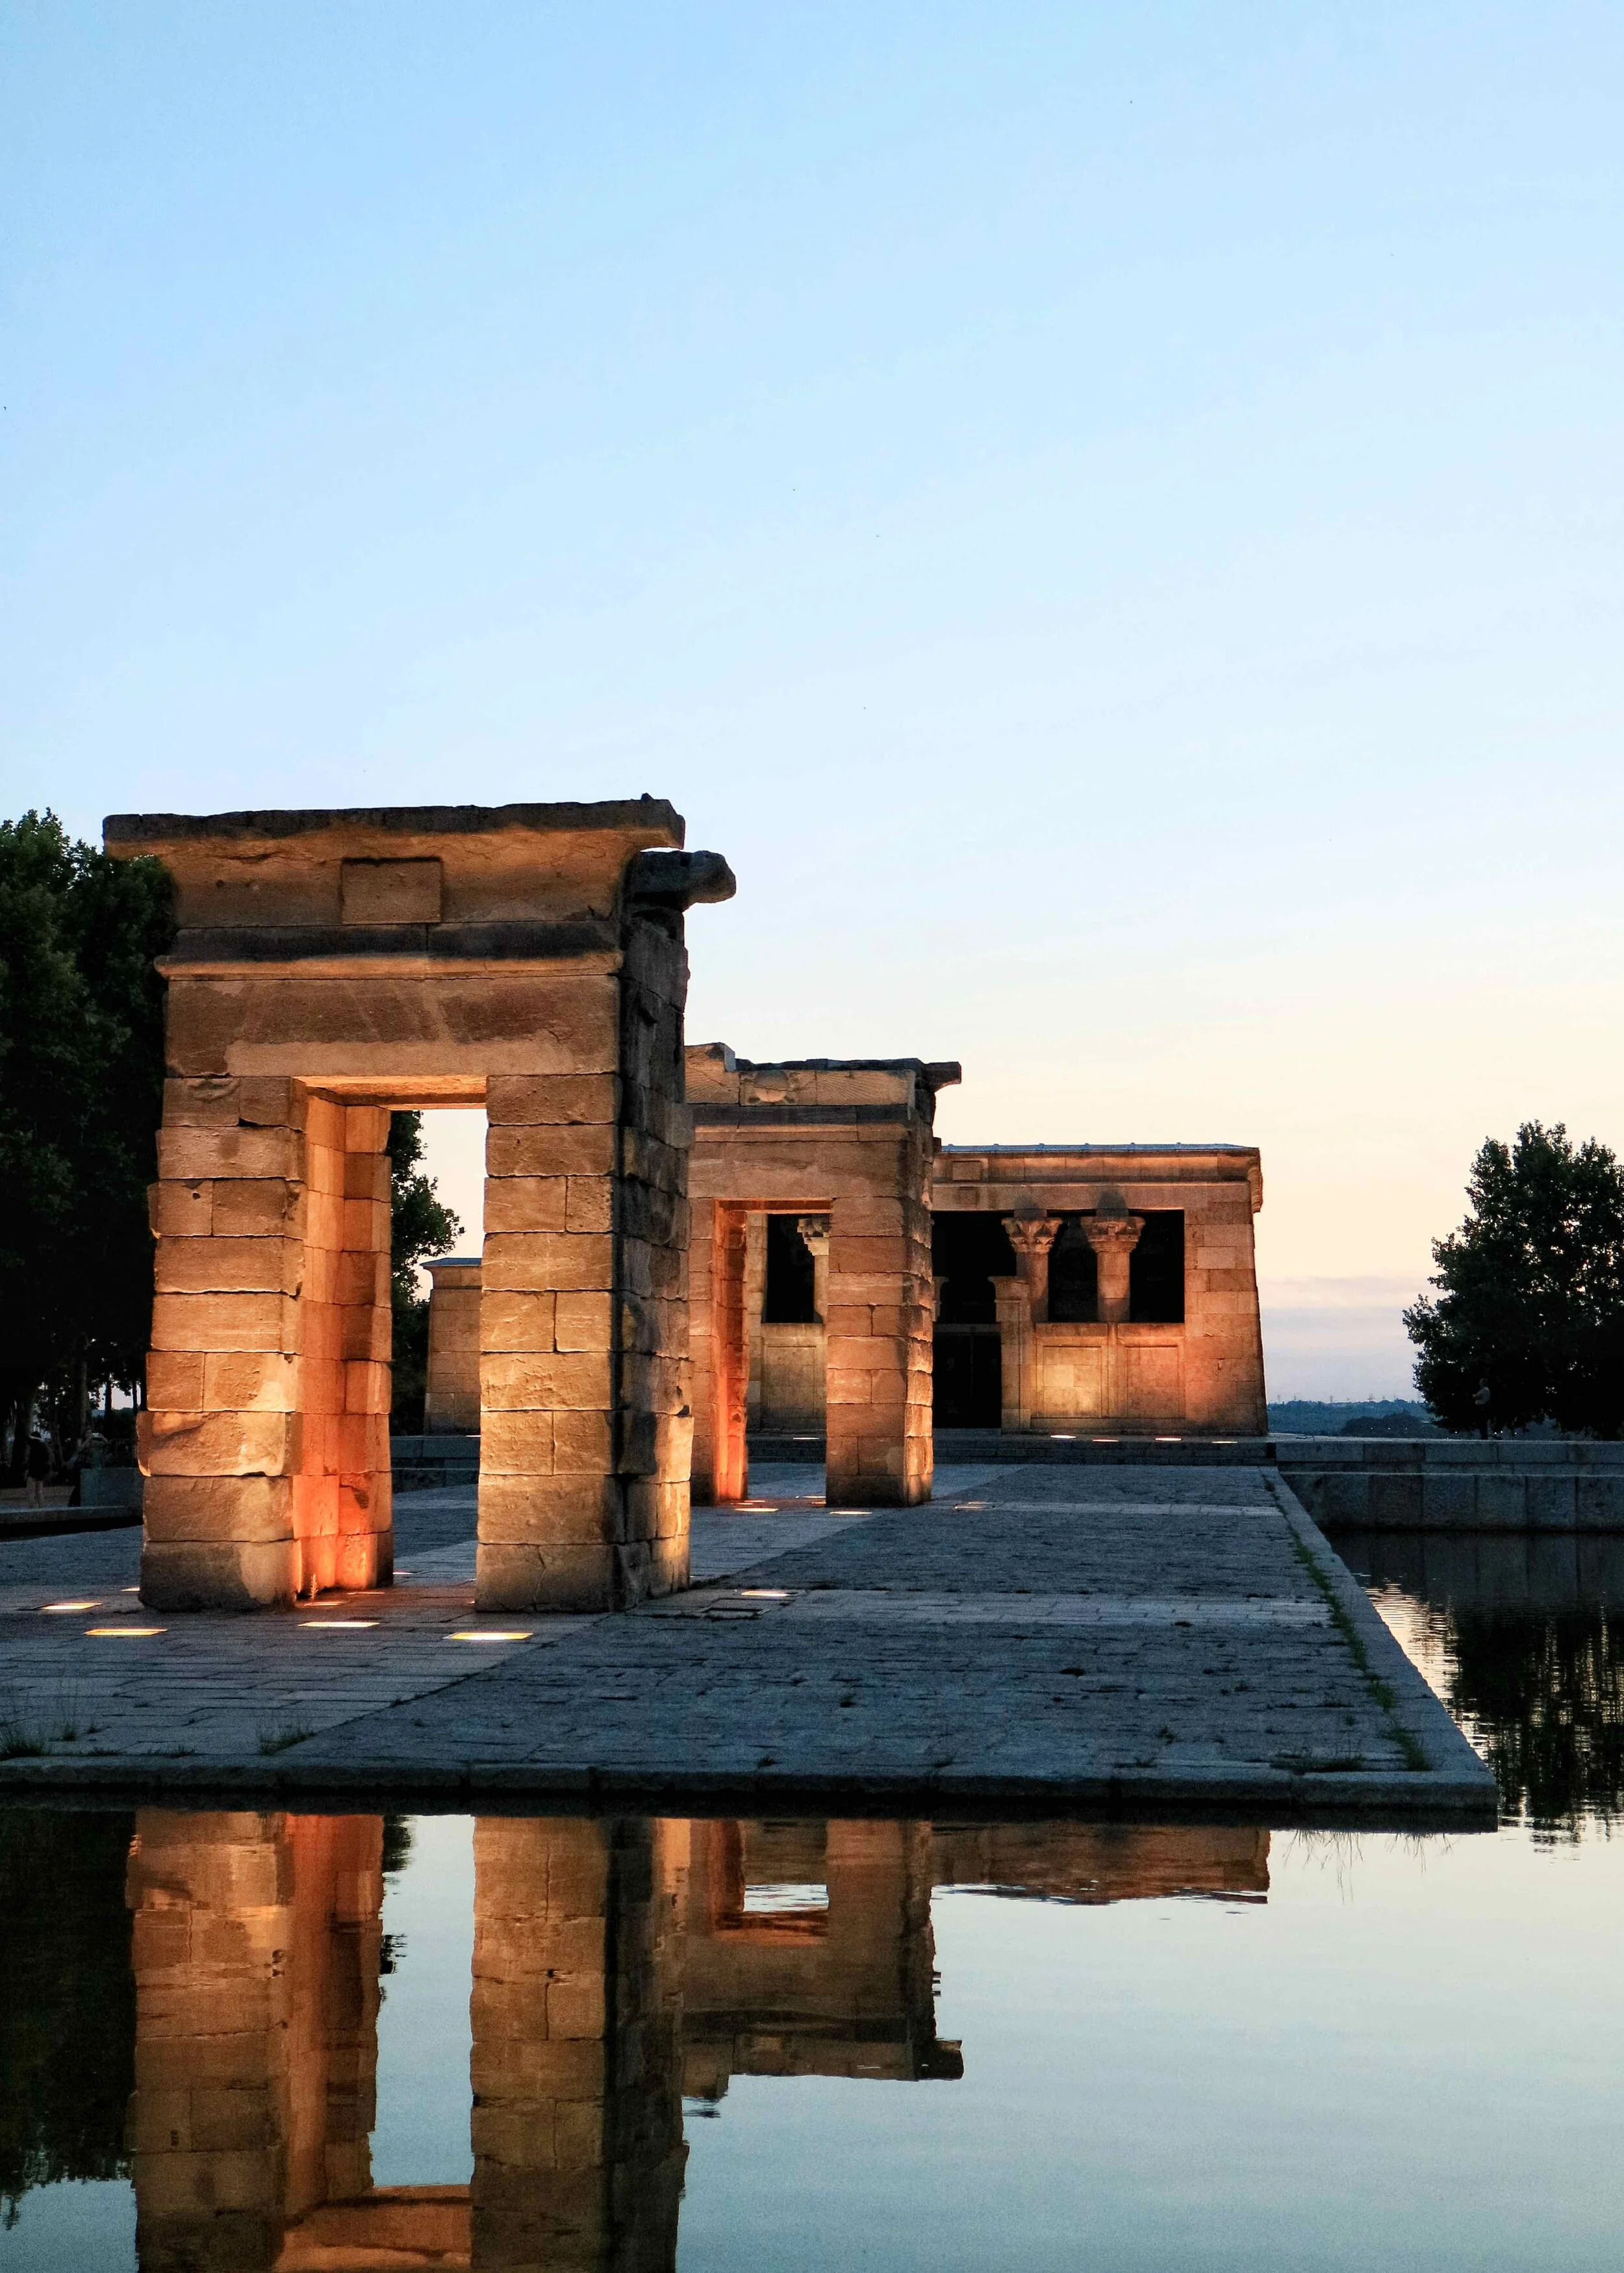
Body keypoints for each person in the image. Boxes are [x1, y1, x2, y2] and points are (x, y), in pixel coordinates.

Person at [25, 1432, 52, 1508]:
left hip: (33, 1470)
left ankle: (33, 1505)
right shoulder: (44, 1447)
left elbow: (31, 1461)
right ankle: (41, 1507)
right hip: (42, 1471)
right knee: (39, 1491)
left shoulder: (34, 1448)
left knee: (30, 1490)